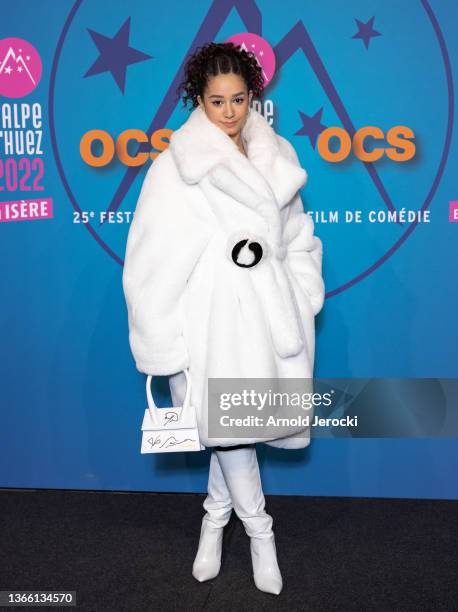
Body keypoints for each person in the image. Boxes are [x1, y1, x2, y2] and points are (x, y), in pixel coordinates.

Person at [122, 42, 325, 595]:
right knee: (231, 436)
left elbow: (298, 236)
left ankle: (214, 518)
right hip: (205, 322)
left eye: (239, 98)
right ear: (198, 100)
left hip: (270, 317)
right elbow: (150, 260)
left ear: (252, 96)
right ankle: (261, 533)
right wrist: (164, 343)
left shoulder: (276, 154)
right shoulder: (176, 167)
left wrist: (303, 291)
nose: (230, 111)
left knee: (237, 435)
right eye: (217, 101)